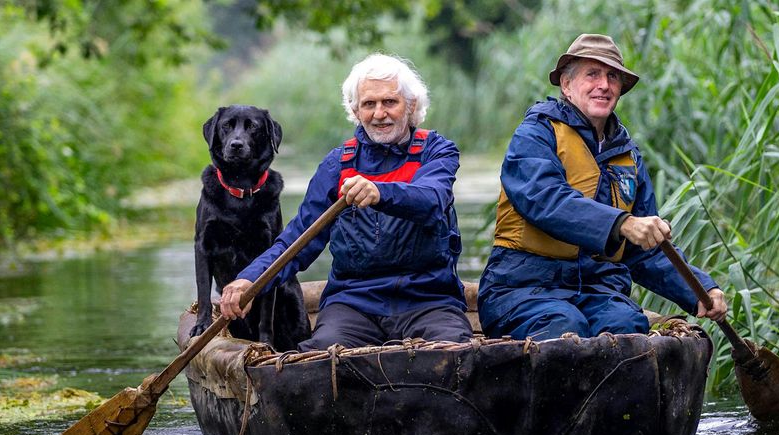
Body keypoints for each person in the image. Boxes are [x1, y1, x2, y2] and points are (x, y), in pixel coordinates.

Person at [478, 34, 728, 341]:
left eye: (612, 77)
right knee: (564, 328)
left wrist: (701, 289)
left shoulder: (628, 156)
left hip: (598, 291)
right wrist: (622, 223)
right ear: (566, 87)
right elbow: (545, 200)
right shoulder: (535, 134)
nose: (604, 85)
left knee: (627, 328)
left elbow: (644, 250)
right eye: (592, 74)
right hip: (523, 288)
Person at [218, 54, 471, 351]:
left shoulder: (437, 151)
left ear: (411, 105)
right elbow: (297, 240)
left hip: (430, 300)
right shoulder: (337, 164)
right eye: (369, 104)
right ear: (355, 110)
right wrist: (249, 278)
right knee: (318, 360)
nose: (379, 114)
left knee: (457, 353)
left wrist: (379, 192)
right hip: (352, 303)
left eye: (390, 102)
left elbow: (431, 199)